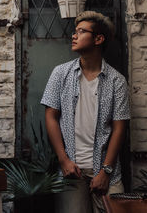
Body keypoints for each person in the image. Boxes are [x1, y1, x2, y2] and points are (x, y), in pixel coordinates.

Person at [41, 11, 130, 213]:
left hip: (107, 171)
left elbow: (119, 128)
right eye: (75, 31)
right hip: (72, 171)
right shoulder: (60, 73)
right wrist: (64, 160)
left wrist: (105, 172)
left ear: (98, 39)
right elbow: (51, 116)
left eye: (81, 31)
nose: (74, 35)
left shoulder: (117, 81)